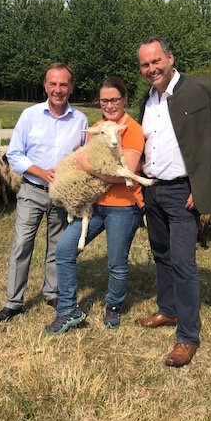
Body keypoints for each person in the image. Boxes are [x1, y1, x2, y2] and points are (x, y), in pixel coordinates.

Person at [134, 37, 211, 367]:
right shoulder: (147, 99)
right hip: (153, 190)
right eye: (145, 64)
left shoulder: (203, 89)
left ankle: (188, 335)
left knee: (183, 261)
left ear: (171, 58)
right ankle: (168, 310)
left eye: (156, 61)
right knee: (161, 254)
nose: (152, 69)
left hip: (183, 192)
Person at [45, 76, 145, 335]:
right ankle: (68, 309)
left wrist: (87, 167)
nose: (109, 105)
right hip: (94, 204)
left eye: (114, 100)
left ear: (124, 99)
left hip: (123, 206)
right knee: (64, 250)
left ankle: (113, 305)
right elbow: (87, 162)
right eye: (104, 101)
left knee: (116, 261)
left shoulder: (132, 130)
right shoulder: (98, 127)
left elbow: (126, 172)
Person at [0, 63, 88, 323]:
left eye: (63, 84)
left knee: (58, 244)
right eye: (53, 84)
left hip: (62, 194)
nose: (58, 89)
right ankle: (13, 302)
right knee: (23, 243)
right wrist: (41, 172)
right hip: (32, 189)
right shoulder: (30, 116)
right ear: (45, 86)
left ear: (71, 88)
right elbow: (14, 153)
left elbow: (83, 157)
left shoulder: (80, 120)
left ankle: (52, 293)